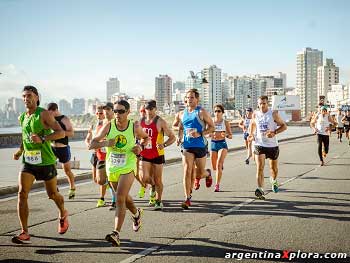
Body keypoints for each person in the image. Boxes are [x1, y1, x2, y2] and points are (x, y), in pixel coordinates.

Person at [12, 86, 69, 244]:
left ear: (37, 97)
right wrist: (19, 151)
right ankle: (24, 232)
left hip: (46, 161)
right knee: (22, 194)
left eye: (29, 95)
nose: (26, 99)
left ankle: (63, 213)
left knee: (52, 195)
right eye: (23, 96)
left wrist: (43, 139)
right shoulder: (22, 117)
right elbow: (25, 137)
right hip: (28, 161)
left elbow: (61, 133)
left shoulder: (43, 114)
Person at [88, 100, 149, 247]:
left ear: (128, 112)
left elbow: (146, 138)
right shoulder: (109, 126)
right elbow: (92, 144)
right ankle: (136, 214)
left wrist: (140, 147)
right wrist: (106, 143)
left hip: (128, 165)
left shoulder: (134, 126)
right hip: (112, 167)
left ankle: (116, 233)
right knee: (125, 198)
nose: (117, 114)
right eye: (115, 111)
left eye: (121, 111)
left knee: (120, 198)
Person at [173, 89, 215, 209]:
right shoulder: (181, 114)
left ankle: (207, 174)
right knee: (187, 171)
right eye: (187, 97)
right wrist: (179, 136)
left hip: (200, 145)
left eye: (192, 97)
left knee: (199, 173)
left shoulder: (201, 112)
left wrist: (200, 133)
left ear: (197, 99)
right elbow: (176, 126)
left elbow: (212, 127)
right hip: (186, 146)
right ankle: (187, 198)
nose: (189, 100)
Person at [248, 95, 287, 200]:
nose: (262, 106)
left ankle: (274, 180)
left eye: (264, 103)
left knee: (273, 169)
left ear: (267, 104)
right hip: (259, 144)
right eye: (260, 104)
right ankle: (260, 189)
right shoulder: (255, 114)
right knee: (259, 168)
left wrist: (274, 132)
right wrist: (251, 134)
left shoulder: (273, 114)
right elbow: (252, 124)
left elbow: (284, 126)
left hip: (272, 145)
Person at [139, 100, 176, 210]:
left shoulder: (160, 122)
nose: (149, 111)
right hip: (144, 153)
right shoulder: (140, 121)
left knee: (158, 179)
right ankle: (152, 186)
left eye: (151, 109)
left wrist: (164, 145)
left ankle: (159, 201)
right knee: (143, 177)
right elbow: (136, 136)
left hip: (157, 154)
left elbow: (172, 137)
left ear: (155, 109)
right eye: (147, 109)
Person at [85, 105, 115, 208]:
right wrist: (88, 143)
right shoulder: (94, 124)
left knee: (104, 179)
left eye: (101, 113)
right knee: (97, 180)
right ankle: (109, 185)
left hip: (105, 155)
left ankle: (104, 199)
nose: (98, 115)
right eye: (97, 113)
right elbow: (88, 137)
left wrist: (103, 143)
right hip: (95, 153)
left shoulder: (109, 124)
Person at [47, 102, 76, 199]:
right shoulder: (50, 120)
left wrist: (60, 133)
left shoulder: (64, 119)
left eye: (51, 113)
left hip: (63, 148)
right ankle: (54, 189)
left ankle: (72, 188)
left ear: (55, 110)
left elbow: (71, 133)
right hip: (52, 147)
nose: (50, 115)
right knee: (50, 168)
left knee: (67, 170)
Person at [209, 104, 232, 192]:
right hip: (213, 144)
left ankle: (217, 185)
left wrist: (225, 135)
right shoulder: (211, 122)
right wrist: (209, 134)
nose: (217, 113)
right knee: (214, 167)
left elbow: (230, 136)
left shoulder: (225, 123)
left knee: (219, 164)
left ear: (222, 113)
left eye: (219, 111)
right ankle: (216, 170)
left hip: (222, 144)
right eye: (215, 111)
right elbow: (206, 133)